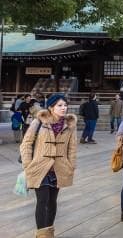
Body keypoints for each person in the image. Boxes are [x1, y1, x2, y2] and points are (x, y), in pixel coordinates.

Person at [19, 94, 77, 237]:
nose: (64, 108)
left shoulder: (69, 125)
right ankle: (42, 235)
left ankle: (49, 232)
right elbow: (26, 143)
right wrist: (27, 164)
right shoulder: (39, 122)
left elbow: (72, 148)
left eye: (65, 105)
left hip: (59, 169)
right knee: (43, 201)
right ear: (51, 107)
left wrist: (71, 165)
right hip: (40, 167)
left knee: (52, 202)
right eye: (59, 105)